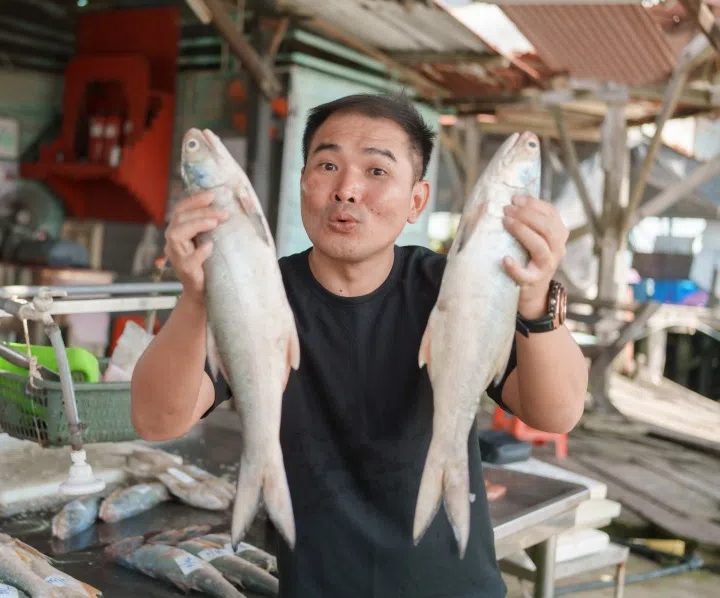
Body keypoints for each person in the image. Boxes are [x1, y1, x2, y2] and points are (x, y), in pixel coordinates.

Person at [130, 93, 589, 597]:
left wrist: (536, 296)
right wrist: (196, 295)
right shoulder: (255, 291)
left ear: (417, 200)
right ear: (303, 182)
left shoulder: (456, 284)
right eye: (328, 165)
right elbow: (158, 421)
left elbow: (556, 413)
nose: (347, 189)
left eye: (376, 171)